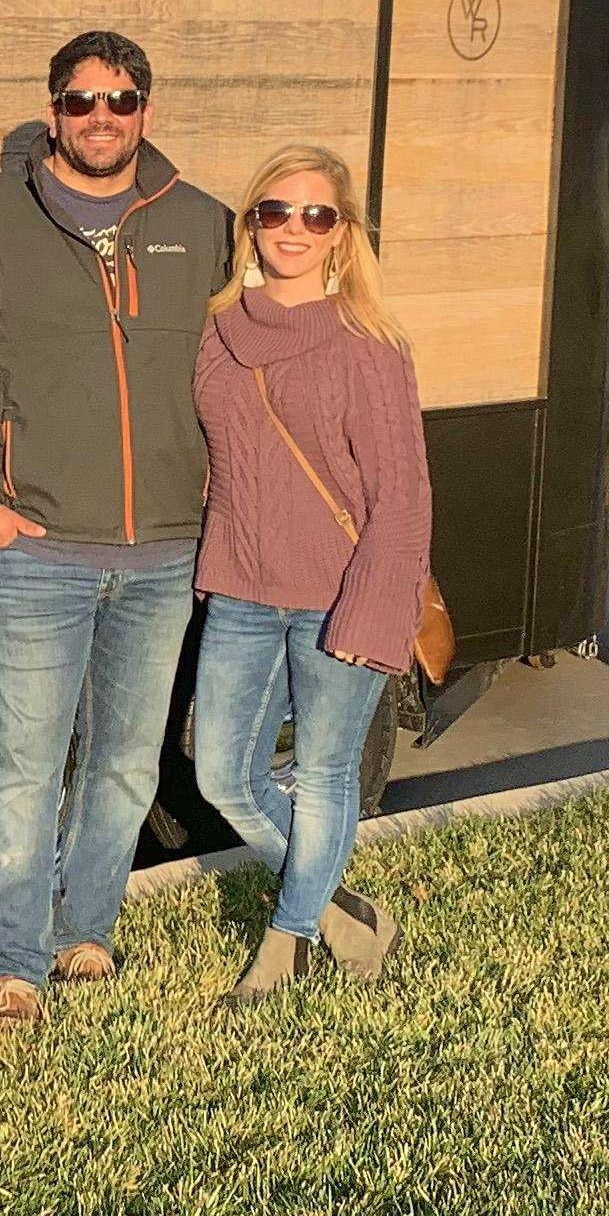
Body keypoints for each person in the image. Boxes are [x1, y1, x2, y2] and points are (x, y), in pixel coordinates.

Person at [0, 29, 231, 1028]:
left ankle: (87, 929)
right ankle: (9, 962)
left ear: (146, 112)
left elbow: (254, 365)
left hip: (165, 548)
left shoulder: (202, 224)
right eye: (80, 101)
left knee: (128, 758)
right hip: (33, 548)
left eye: (119, 100)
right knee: (25, 762)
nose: (100, 118)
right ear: (52, 112)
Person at [190, 144, 431, 1003]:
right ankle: (336, 906)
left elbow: (402, 492)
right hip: (243, 589)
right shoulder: (220, 328)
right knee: (221, 773)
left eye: (316, 214)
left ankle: (285, 944)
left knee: (325, 773)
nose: (294, 228)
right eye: (275, 211)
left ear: (341, 234)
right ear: (251, 222)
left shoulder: (367, 343)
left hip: (339, 595)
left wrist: (374, 612)